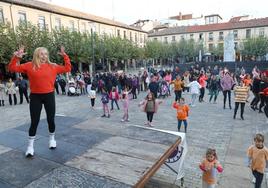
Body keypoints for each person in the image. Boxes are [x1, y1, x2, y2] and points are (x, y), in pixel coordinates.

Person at [8, 46, 71, 157]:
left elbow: (67, 68)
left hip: (49, 96)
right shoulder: (29, 66)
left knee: (50, 119)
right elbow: (12, 68)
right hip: (35, 96)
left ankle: (52, 139)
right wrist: (16, 57)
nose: (44, 56)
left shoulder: (53, 66)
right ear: (36, 55)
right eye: (41, 54)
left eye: (46, 54)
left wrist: (65, 56)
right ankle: (30, 146)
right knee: (34, 121)